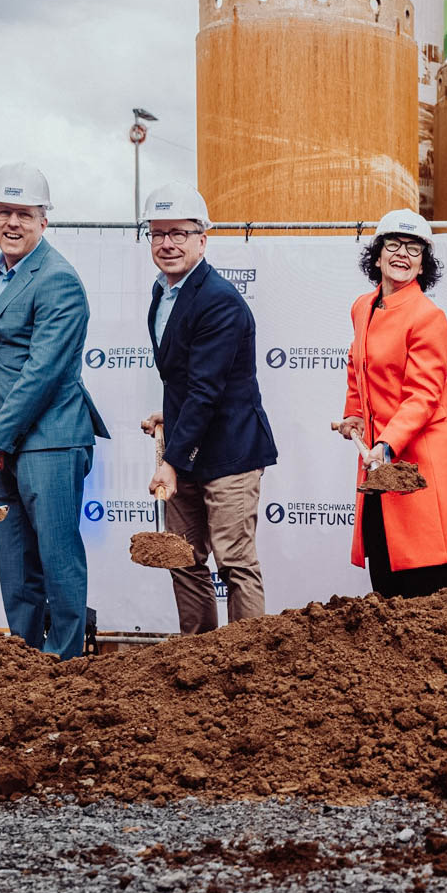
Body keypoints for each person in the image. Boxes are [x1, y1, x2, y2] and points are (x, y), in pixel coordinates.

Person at [0, 162, 109, 660]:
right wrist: (2, 440)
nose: (12, 223)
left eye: (24, 214)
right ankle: (24, 657)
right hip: (12, 443)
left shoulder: (57, 280)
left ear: (43, 221)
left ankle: (65, 661)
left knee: (58, 559)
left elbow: (44, 371)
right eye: (4, 211)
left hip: (50, 439)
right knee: (15, 561)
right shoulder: (5, 272)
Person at [140, 184, 277, 633]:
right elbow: (182, 380)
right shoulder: (163, 296)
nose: (168, 243)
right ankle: (198, 658)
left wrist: (172, 461)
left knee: (234, 561)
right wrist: (170, 419)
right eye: (158, 233)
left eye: (179, 231)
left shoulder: (218, 299)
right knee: (184, 558)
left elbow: (206, 391)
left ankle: (246, 661)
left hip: (230, 452)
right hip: (189, 445)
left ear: (203, 238)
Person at [337, 209, 447, 597]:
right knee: (383, 561)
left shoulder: (428, 317)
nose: (403, 254)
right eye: (394, 245)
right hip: (383, 453)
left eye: (413, 248)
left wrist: (385, 445)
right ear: (378, 254)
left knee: (423, 574)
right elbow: (358, 366)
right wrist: (353, 412)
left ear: (423, 262)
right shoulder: (361, 307)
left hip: (424, 452)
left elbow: (424, 394)